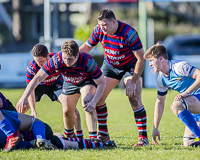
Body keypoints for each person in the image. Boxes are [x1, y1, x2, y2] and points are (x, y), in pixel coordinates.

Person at [79, 9, 148, 146]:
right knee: (98, 98)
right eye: (100, 25)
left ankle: (143, 137)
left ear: (113, 22)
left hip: (130, 68)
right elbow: (87, 46)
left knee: (134, 98)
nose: (102, 28)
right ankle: (103, 135)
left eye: (104, 25)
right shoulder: (99, 30)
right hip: (110, 66)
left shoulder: (129, 33)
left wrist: (133, 81)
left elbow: (141, 58)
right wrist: (69, 56)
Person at [16, 40, 106, 140]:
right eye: (65, 59)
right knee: (67, 110)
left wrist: (94, 102)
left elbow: (102, 82)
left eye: (70, 59)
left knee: (87, 101)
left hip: (85, 81)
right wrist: (24, 98)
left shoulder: (87, 61)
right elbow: (37, 78)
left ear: (77, 55)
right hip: (69, 82)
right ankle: (70, 136)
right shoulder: (56, 59)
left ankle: (93, 138)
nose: (67, 62)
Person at [144, 43, 200, 147]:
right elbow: (159, 102)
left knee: (176, 105)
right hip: (193, 104)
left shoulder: (179, 67)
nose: (149, 64)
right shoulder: (161, 79)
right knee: (188, 143)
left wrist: (186, 93)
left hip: (196, 99)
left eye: (151, 60)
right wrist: (155, 128)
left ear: (161, 59)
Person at [21, 44, 83, 138]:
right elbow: (31, 88)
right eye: (37, 61)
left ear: (48, 56)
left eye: (41, 61)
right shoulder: (31, 68)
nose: (39, 64)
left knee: (70, 106)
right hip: (38, 86)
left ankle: (78, 135)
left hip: (55, 85)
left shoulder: (57, 60)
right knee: (21, 107)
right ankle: (15, 133)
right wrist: (33, 110)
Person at [0, 110, 116, 151]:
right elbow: (13, 146)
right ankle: (99, 142)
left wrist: (40, 138)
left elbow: (35, 122)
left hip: (41, 132)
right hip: (31, 141)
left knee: (67, 145)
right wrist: (33, 144)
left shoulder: (6, 116)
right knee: (60, 142)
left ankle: (103, 144)